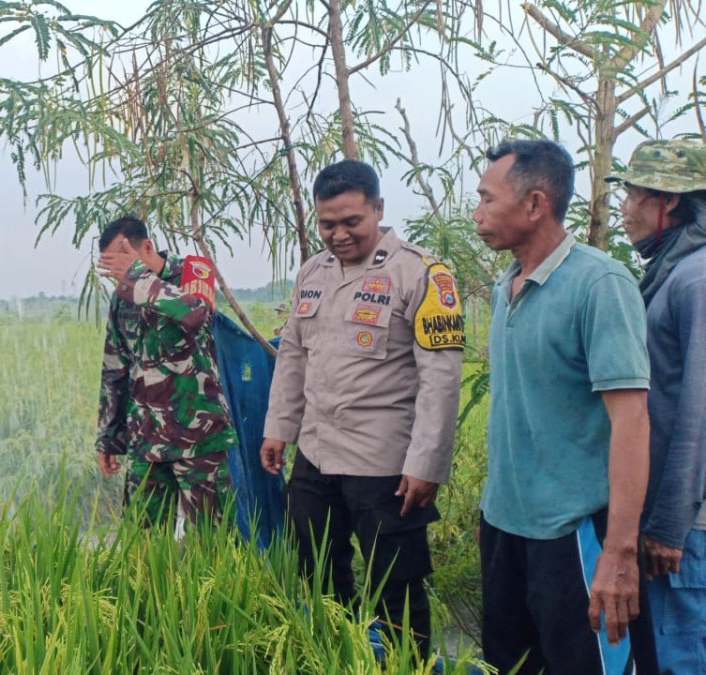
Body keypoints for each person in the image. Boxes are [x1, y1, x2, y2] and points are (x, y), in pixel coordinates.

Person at [259, 159, 465, 657]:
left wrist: (426, 465)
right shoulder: (313, 272)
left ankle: (405, 666)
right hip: (316, 455)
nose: (339, 234)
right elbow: (293, 355)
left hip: (385, 466)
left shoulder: (419, 272)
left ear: (378, 208)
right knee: (317, 576)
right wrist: (278, 428)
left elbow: (441, 379)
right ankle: (341, 659)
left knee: (396, 588)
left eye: (352, 221)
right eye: (328, 224)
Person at [473, 139, 654, 674]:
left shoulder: (598, 285)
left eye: (487, 199)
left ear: (534, 204)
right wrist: (492, 509)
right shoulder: (505, 284)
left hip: (573, 536)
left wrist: (619, 554)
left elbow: (632, 421)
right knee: (512, 664)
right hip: (508, 530)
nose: (477, 213)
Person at [608, 139, 706, 673]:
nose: (624, 209)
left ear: (668, 203)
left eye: (633, 196)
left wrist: (669, 525)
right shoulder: (672, 272)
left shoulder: (696, 279)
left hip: (688, 528)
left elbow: (697, 410)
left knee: (681, 657)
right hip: (679, 521)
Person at [95, 215, 237, 535]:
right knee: (144, 544)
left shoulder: (192, 270)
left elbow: (197, 313)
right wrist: (108, 437)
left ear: (147, 247)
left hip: (199, 435)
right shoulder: (123, 296)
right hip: (146, 439)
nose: (118, 275)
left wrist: (137, 279)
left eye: (121, 263)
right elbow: (114, 368)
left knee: (211, 542)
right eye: (111, 268)